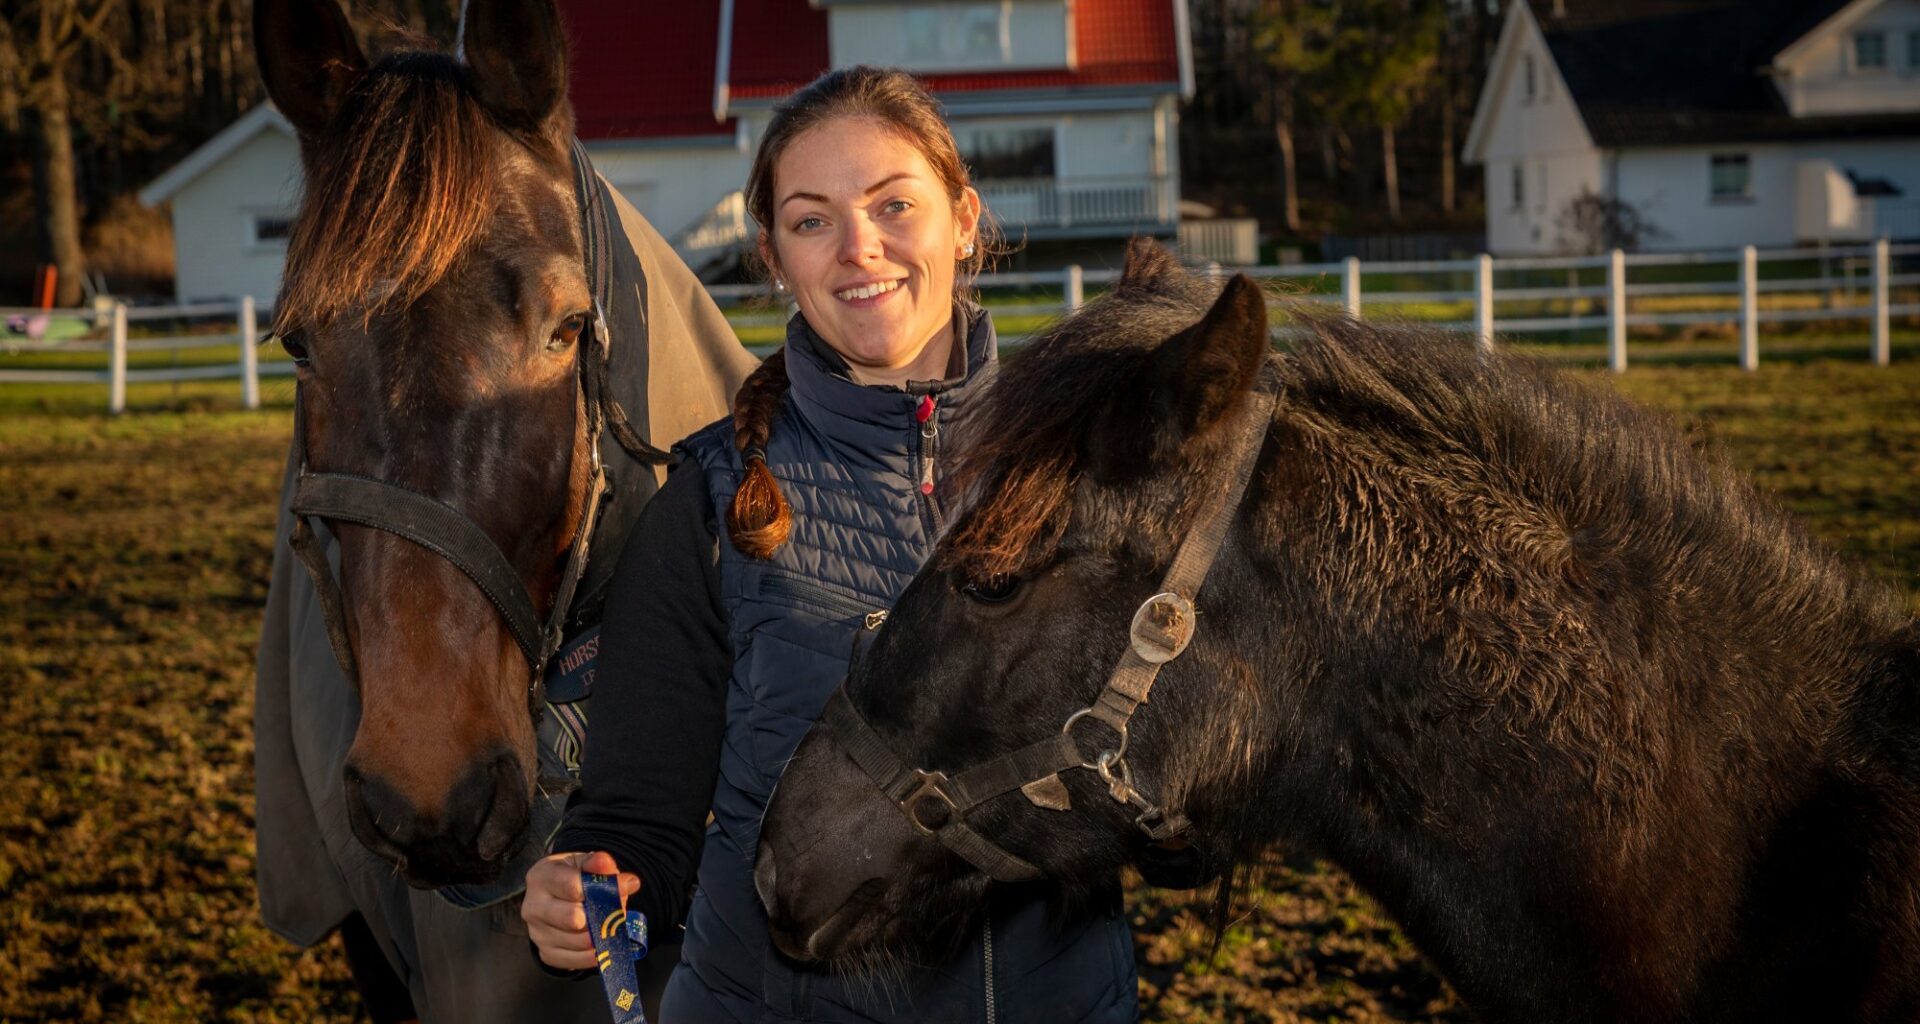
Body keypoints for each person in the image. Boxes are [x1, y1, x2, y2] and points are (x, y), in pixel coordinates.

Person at [520, 66, 1146, 1022]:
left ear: (963, 219)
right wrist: (580, 896)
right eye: (813, 220)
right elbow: (634, 822)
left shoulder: (1084, 474)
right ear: (774, 255)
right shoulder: (708, 505)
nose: (862, 248)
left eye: (894, 204)